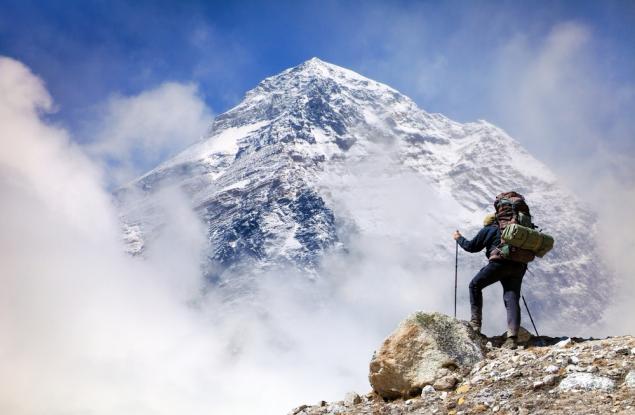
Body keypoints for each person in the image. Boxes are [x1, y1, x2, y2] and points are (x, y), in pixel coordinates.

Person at [452, 213, 527, 349]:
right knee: (511, 297)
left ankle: (475, 324)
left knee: (475, 285)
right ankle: (512, 339)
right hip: (519, 266)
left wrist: (458, 238)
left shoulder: (489, 229)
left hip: (499, 263)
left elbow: (471, 247)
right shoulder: (514, 230)